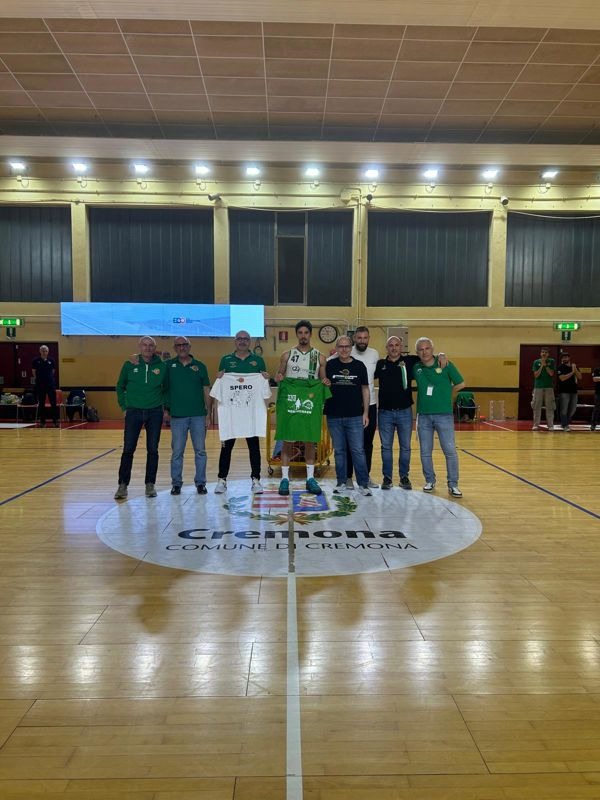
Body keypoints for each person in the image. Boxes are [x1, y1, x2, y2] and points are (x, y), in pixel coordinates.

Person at [375, 337, 448, 490]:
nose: (394, 348)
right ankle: (387, 478)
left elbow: (428, 356)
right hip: (384, 413)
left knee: (405, 447)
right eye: (390, 345)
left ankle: (404, 476)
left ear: (401, 347)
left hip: (405, 412)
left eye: (397, 345)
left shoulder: (410, 361)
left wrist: (441, 354)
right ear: (386, 348)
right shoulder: (380, 364)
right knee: (386, 447)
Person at [274, 320, 329, 496]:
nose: (303, 336)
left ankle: (310, 478)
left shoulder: (319, 357)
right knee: (287, 440)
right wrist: (278, 377)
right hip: (291, 401)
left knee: (309, 440)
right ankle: (284, 478)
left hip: (309, 401)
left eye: (306, 333)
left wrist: (325, 382)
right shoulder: (286, 355)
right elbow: (279, 375)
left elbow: (322, 380)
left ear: (310, 334)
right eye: (300, 333)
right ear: (297, 334)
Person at [214, 330, 269, 495]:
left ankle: (256, 479)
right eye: (239, 339)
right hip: (231, 416)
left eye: (245, 339)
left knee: (254, 448)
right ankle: (222, 479)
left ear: (250, 341)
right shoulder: (225, 360)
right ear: (235, 341)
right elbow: (219, 386)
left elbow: (264, 388)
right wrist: (219, 378)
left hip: (250, 416)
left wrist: (265, 378)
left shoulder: (258, 360)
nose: (242, 341)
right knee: (226, 448)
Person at [114, 336, 167, 500]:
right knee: (128, 449)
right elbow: (120, 386)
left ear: (155, 348)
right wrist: (124, 407)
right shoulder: (129, 364)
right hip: (133, 412)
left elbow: (167, 389)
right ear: (139, 346)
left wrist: (165, 408)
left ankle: (150, 484)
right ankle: (123, 485)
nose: (148, 348)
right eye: (145, 345)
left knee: (153, 449)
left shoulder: (162, 366)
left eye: (151, 345)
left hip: (155, 412)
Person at [414, 337, 465, 498]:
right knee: (425, 451)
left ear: (433, 349)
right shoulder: (416, 367)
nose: (424, 352)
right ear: (417, 352)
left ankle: (453, 484)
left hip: (444, 415)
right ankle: (430, 480)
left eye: (427, 348)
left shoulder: (445, 364)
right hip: (423, 416)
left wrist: (447, 392)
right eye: (421, 349)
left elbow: (461, 383)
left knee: (450, 451)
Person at [325, 336, 373, 496]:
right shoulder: (330, 365)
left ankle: (363, 484)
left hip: (355, 416)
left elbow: (365, 390)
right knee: (339, 451)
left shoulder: (359, 366)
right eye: (341, 346)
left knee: (358, 450)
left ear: (351, 348)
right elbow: (322, 384)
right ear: (336, 348)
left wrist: (366, 413)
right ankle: (341, 482)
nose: (344, 349)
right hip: (334, 416)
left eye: (347, 346)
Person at [164, 336, 211, 495]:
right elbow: (163, 389)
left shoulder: (200, 366)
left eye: (185, 344)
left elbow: (206, 390)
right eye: (178, 345)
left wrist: (208, 413)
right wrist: (166, 410)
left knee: (200, 451)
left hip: (198, 415)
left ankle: (201, 483)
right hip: (177, 416)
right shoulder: (168, 366)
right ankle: (176, 483)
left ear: (189, 347)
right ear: (174, 348)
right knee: (177, 452)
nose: (182, 347)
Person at [346, 326, 379, 489]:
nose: (362, 341)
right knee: (349, 444)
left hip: (370, 405)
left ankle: (365, 477)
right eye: (359, 338)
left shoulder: (374, 354)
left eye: (365, 338)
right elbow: (329, 363)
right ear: (354, 338)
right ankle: (347, 477)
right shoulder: (346, 351)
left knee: (367, 444)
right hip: (351, 405)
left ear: (369, 338)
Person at [32, 345, 59, 428]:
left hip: (50, 385)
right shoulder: (36, 360)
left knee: (53, 403)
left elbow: (53, 371)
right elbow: (34, 371)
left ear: (48, 352)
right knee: (41, 404)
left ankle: (55, 422)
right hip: (40, 385)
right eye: (43, 351)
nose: (44, 352)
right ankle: (42, 422)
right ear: (40, 351)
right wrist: (38, 380)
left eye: (46, 351)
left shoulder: (51, 360)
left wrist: (48, 379)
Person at [531, 347, 556, 431]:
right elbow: (536, 375)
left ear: (548, 354)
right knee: (536, 406)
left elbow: (551, 373)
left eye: (545, 352)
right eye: (542, 352)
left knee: (550, 406)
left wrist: (546, 365)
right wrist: (541, 365)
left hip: (549, 387)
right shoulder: (536, 362)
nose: (544, 353)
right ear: (540, 353)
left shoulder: (551, 361)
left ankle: (550, 425)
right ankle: (536, 425)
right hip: (538, 387)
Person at [557, 352, 582, 431]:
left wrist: (575, 370)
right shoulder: (560, 367)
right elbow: (562, 378)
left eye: (566, 357)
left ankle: (565, 423)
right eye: (563, 357)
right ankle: (565, 425)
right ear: (562, 359)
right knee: (564, 409)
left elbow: (580, 377)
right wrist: (572, 372)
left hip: (574, 391)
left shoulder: (574, 366)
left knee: (573, 409)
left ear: (569, 358)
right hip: (564, 391)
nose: (565, 359)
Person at [591, 363, 600, 431]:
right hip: (598, 393)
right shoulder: (597, 369)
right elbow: (594, 379)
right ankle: (593, 425)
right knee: (597, 409)